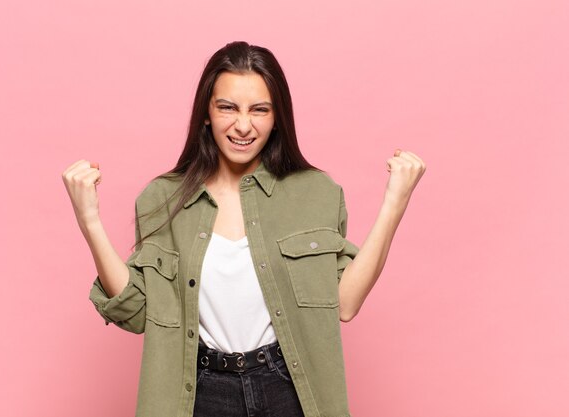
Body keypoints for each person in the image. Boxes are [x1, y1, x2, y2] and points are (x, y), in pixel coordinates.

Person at [62, 41, 425, 417]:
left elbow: (345, 304)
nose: (243, 125)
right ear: (207, 112)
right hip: (201, 391)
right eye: (228, 108)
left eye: (260, 110)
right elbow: (136, 313)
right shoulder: (162, 198)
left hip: (288, 387)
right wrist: (89, 222)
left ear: (276, 116)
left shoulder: (316, 193)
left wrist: (394, 203)